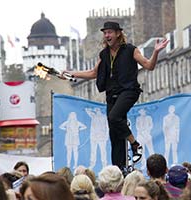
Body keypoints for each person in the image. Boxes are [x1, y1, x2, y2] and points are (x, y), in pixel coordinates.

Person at [64, 21, 168, 170]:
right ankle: (118, 170)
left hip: (129, 91)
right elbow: (94, 73)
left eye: (110, 32)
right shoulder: (104, 54)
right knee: (115, 134)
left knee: (114, 117)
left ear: (118, 33)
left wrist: (156, 52)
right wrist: (71, 73)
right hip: (112, 95)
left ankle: (135, 145)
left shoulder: (131, 50)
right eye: (105, 33)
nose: (107, 35)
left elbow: (149, 66)